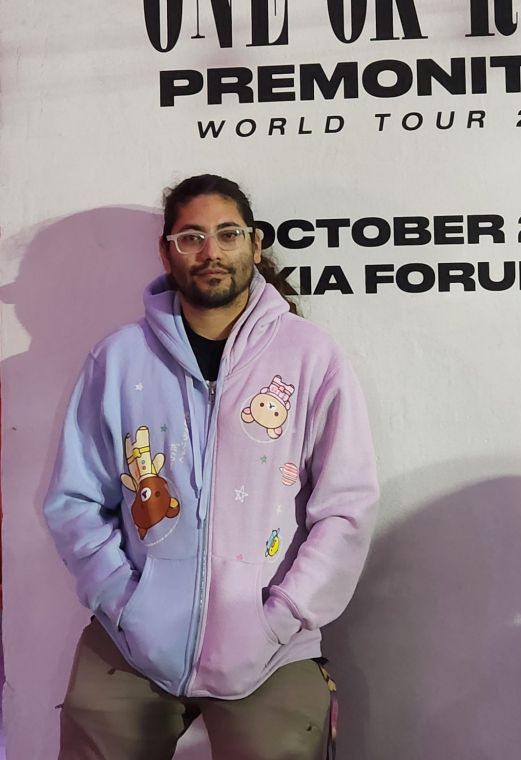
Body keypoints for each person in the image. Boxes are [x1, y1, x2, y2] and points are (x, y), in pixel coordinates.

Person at [44, 174, 379, 760]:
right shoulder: (120, 359)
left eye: (227, 234)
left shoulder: (309, 356)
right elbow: (75, 499)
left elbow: (346, 505)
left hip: (273, 644)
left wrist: (283, 616)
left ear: (254, 244)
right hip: (130, 636)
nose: (210, 252)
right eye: (191, 237)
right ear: (167, 251)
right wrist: (121, 600)